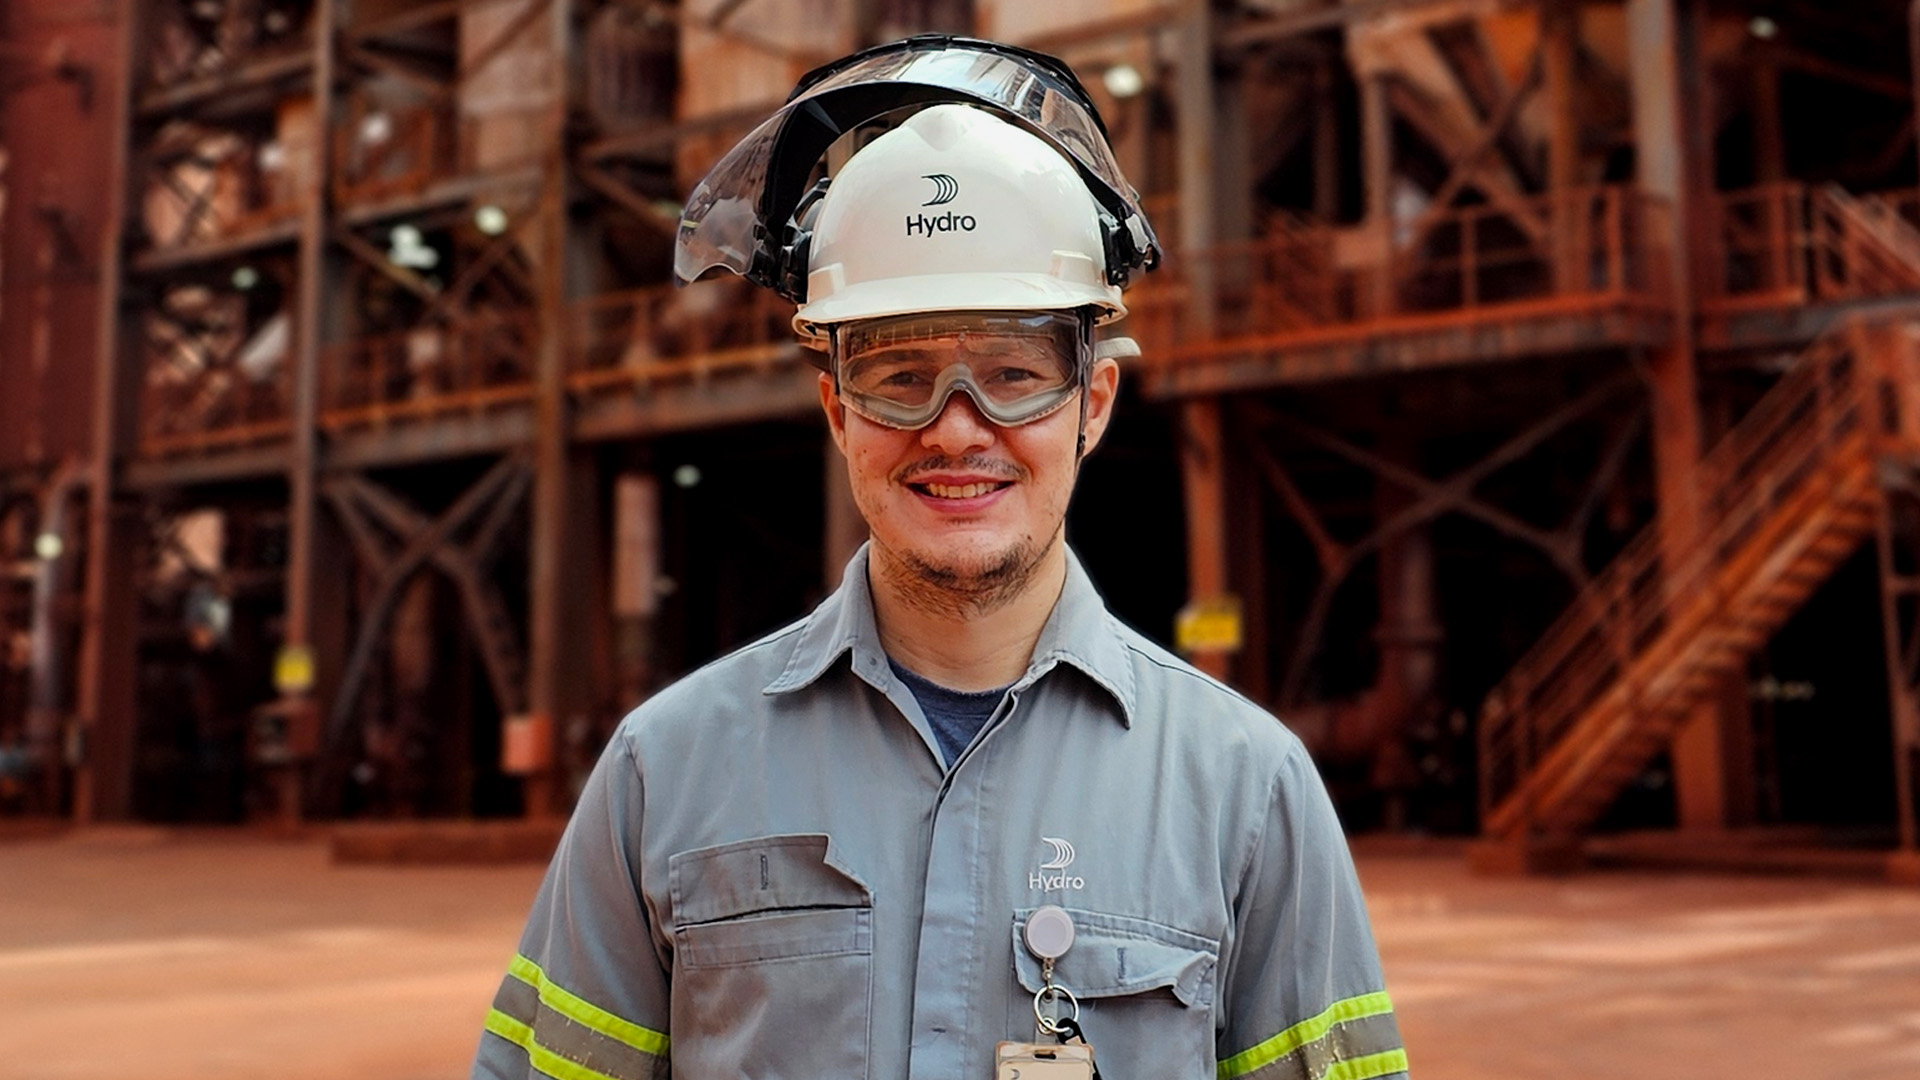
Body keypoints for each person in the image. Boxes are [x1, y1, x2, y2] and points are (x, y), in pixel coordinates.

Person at [473, 35, 1407, 1080]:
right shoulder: (663, 775)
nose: (957, 428)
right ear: (836, 408)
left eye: (1013, 371)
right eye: (897, 375)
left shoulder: (1247, 792)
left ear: (1092, 402)